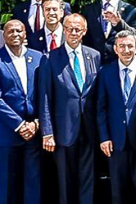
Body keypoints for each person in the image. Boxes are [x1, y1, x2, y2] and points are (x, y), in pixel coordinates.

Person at [37, 13, 100, 204]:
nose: (73, 33)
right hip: (63, 128)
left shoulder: (94, 56)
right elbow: (45, 97)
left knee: (88, 179)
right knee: (66, 181)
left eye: (77, 29)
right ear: (63, 30)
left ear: (84, 31)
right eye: (69, 29)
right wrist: (47, 132)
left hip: (89, 129)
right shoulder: (50, 58)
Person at [0, 18, 43, 204]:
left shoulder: (39, 57)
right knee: (7, 187)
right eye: (11, 31)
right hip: (7, 133)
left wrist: (36, 123)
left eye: (19, 31)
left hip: (33, 134)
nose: (15, 35)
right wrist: (19, 124)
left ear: (25, 34)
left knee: (33, 185)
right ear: (3, 36)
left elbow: (44, 94)